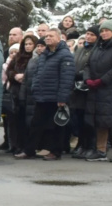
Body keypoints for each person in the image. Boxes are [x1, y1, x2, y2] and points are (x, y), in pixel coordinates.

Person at [16, 28, 74, 160]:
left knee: (56, 125)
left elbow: (67, 78)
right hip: (42, 96)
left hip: (56, 97)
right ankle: (29, 150)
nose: (47, 38)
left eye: (51, 36)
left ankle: (56, 151)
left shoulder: (65, 55)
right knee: (36, 124)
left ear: (59, 38)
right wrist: (35, 89)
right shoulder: (44, 55)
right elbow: (37, 74)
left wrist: (62, 98)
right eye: (46, 36)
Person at [84, 19, 112, 161]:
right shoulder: (97, 47)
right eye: (102, 31)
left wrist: (102, 80)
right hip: (96, 90)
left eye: (107, 30)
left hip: (110, 89)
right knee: (99, 121)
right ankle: (100, 150)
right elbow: (87, 65)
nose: (104, 33)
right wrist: (88, 79)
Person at [6, 34, 39, 156]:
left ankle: (28, 147)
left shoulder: (36, 58)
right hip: (16, 91)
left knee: (28, 122)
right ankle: (17, 145)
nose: (28, 46)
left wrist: (25, 77)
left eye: (30, 44)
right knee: (16, 122)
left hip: (29, 93)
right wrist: (15, 75)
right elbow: (9, 70)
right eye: (26, 44)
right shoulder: (18, 56)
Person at [70, 26, 98, 158]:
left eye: (92, 34)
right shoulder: (80, 49)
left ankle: (90, 145)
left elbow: (92, 68)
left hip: (89, 88)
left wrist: (80, 75)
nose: (89, 37)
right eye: (87, 34)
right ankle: (81, 144)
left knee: (89, 120)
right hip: (77, 89)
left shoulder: (97, 50)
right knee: (78, 117)